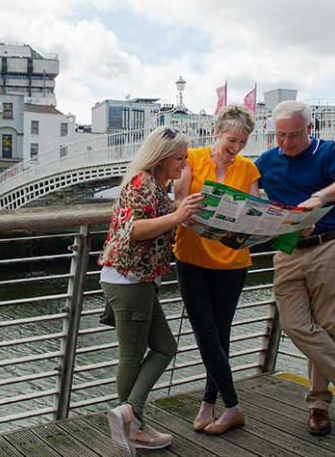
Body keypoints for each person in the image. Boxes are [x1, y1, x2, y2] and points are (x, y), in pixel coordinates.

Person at [255, 100, 335, 436]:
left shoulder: (329, 151)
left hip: (330, 246)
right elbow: (249, 196)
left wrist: (319, 199)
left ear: (309, 128)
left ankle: (318, 406)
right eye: (280, 135)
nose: (287, 143)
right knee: (295, 325)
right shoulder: (266, 161)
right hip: (289, 251)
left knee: (326, 328)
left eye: (294, 135)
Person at [99, 126, 203, 455]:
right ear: (161, 158)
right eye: (179, 158)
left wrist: (179, 212)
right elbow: (135, 230)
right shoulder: (143, 182)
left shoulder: (156, 185)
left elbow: (155, 219)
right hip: (129, 279)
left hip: (138, 280)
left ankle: (130, 415)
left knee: (165, 348)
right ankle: (133, 423)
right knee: (132, 355)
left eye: (185, 159)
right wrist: (177, 216)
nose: (183, 165)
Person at [173, 104, 260, 435]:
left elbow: (253, 211)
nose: (236, 148)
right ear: (217, 132)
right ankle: (233, 405)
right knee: (205, 333)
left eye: (243, 142)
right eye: (232, 140)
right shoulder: (191, 158)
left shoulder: (249, 169)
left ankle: (209, 404)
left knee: (220, 334)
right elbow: (179, 199)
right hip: (192, 256)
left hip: (232, 262)